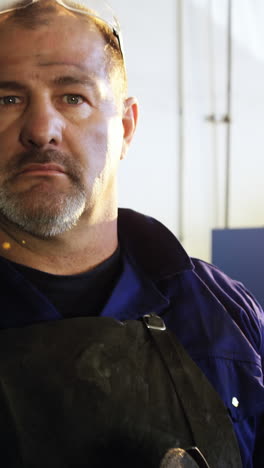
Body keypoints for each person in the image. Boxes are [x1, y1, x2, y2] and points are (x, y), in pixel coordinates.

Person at [0, 1, 262, 467]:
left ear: (125, 126)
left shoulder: (224, 311)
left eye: (73, 97)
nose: (41, 130)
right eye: (7, 99)